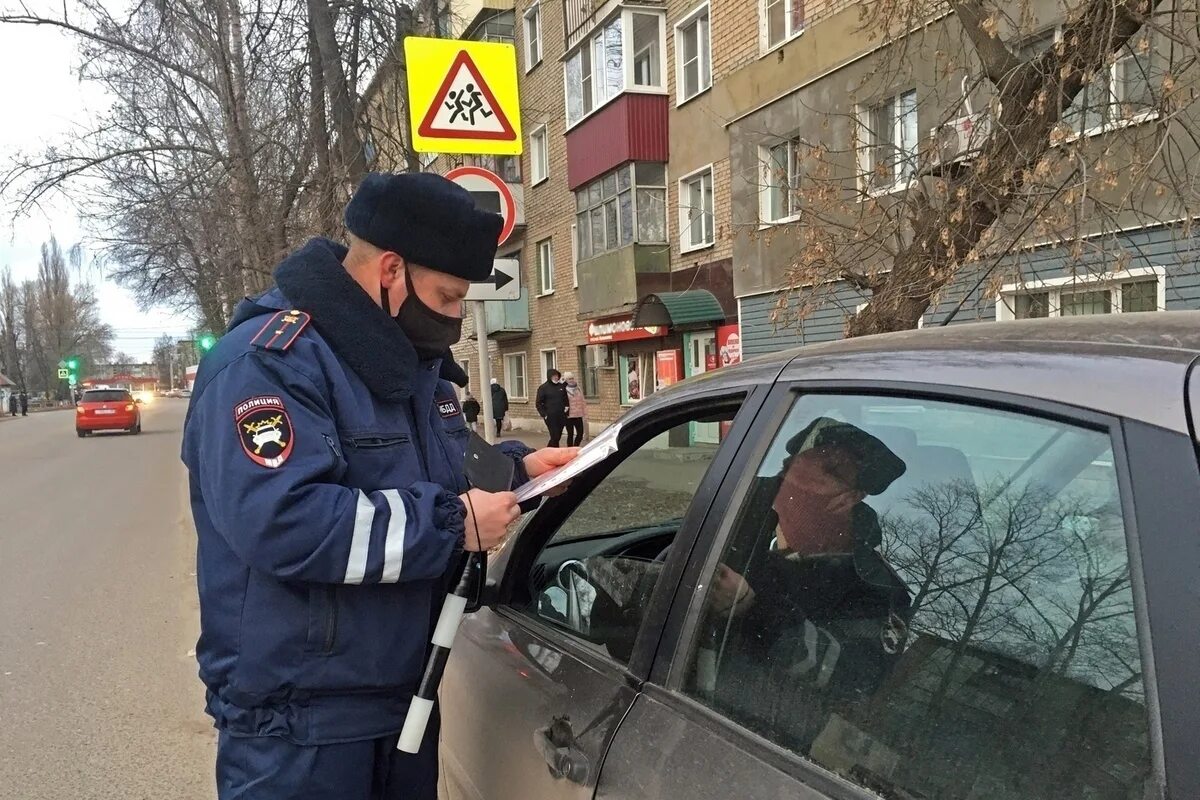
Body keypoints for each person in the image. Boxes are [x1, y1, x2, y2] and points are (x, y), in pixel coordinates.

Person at [181, 172, 578, 800]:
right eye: (448, 298)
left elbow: (429, 472)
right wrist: (452, 524)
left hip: (400, 696)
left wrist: (519, 470)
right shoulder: (269, 364)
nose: (454, 319)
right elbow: (283, 522)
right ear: (391, 270)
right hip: (299, 722)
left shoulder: (402, 364)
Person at [704, 418, 910, 754]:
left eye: (828, 470)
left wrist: (754, 609)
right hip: (706, 717)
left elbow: (853, 679)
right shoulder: (740, 531)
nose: (794, 477)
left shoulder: (877, 588)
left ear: (849, 498)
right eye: (796, 464)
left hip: (770, 748)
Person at [535, 368, 569, 447]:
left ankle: (548, 451)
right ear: (549, 377)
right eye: (554, 376)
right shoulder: (543, 388)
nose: (556, 377)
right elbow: (538, 403)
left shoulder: (561, 387)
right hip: (550, 416)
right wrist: (544, 414)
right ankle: (555, 453)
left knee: (558, 436)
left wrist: (566, 409)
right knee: (555, 435)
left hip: (561, 415)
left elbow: (565, 399)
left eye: (557, 376)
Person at [563, 371, 587, 447]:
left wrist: (585, 413)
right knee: (570, 434)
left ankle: (575, 447)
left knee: (580, 434)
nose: (571, 380)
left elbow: (583, 401)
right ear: (566, 380)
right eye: (569, 379)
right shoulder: (563, 390)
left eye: (572, 378)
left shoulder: (578, 388)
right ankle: (569, 449)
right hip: (569, 416)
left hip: (578, 415)